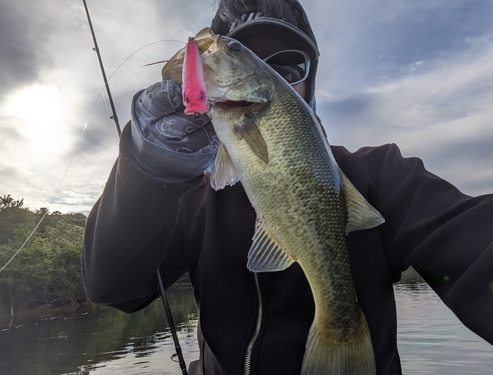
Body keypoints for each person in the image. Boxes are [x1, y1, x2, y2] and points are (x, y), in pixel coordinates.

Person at [82, 0, 493, 374]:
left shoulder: (381, 173)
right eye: (252, 55)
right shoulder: (191, 195)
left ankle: (340, 330)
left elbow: (477, 245)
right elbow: (114, 290)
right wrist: (146, 173)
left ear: (310, 87)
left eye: (291, 67)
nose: (275, 73)